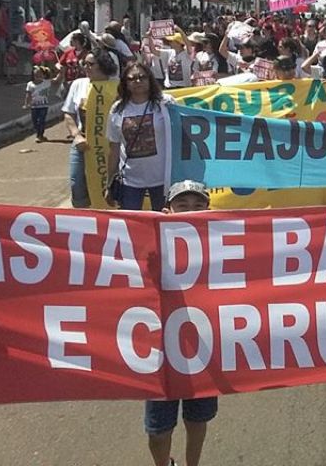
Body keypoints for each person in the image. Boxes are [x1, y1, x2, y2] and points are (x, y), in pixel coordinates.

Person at [145, 179, 218, 466]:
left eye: (199, 206)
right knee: (158, 428)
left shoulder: (223, 247)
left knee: (198, 417)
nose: (192, 212)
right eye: (183, 206)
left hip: (204, 348)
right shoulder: (152, 248)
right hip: (160, 353)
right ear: (167, 212)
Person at [106, 61, 173, 212]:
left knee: (163, 223)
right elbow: (114, 147)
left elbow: (179, 137)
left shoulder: (165, 103)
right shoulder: (117, 109)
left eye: (142, 77)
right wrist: (109, 181)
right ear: (125, 83)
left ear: (150, 79)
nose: (137, 81)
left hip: (163, 178)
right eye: (132, 78)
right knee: (130, 225)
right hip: (130, 180)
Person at [62, 49, 116, 209]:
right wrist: (76, 135)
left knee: (110, 180)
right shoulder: (78, 84)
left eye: (90, 64)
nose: (86, 67)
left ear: (103, 65)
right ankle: (84, 217)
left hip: (111, 144)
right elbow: (68, 113)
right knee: (76, 181)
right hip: (83, 143)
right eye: (83, 63)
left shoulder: (117, 86)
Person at [24, 65, 54, 142]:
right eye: (35, 74)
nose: (37, 76)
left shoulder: (46, 83)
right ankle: (39, 133)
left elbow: (56, 79)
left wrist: (61, 71)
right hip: (34, 106)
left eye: (39, 74)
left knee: (41, 120)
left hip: (44, 106)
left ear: (43, 75)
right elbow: (28, 95)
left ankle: (40, 135)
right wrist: (26, 104)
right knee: (34, 121)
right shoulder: (30, 84)